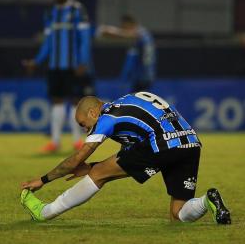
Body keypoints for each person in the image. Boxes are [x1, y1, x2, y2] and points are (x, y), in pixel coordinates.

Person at [20, 92, 231, 224]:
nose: (86, 131)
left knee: (99, 174)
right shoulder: (131, 101)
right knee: (178, 214)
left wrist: (43, 179)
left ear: (94, 112)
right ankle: (207, 201)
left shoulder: (108, 117)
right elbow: (132, 152)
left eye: (84, 125)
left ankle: (45, 212)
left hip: (161, 144)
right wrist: (95, 166)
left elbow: (77, 159)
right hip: (190, 143)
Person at [22, 0, 94, 153]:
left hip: (73, 65)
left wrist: (83, 62)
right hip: (55, 66)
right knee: (57, 102)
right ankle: (55, 142)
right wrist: (37, 61)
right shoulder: (50, 13)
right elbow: (48, 42)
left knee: (75, 102)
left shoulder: (78, 10)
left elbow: (85, 39)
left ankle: (77, 141)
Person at [98, 15, 156, 92]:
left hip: (143, 75)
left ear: (130, 23)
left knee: (136, 100)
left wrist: (107, 30)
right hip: (144, 74)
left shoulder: (141, 33)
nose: (123, 28)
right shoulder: (144, 33)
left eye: (124, 26)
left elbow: (126, 34)